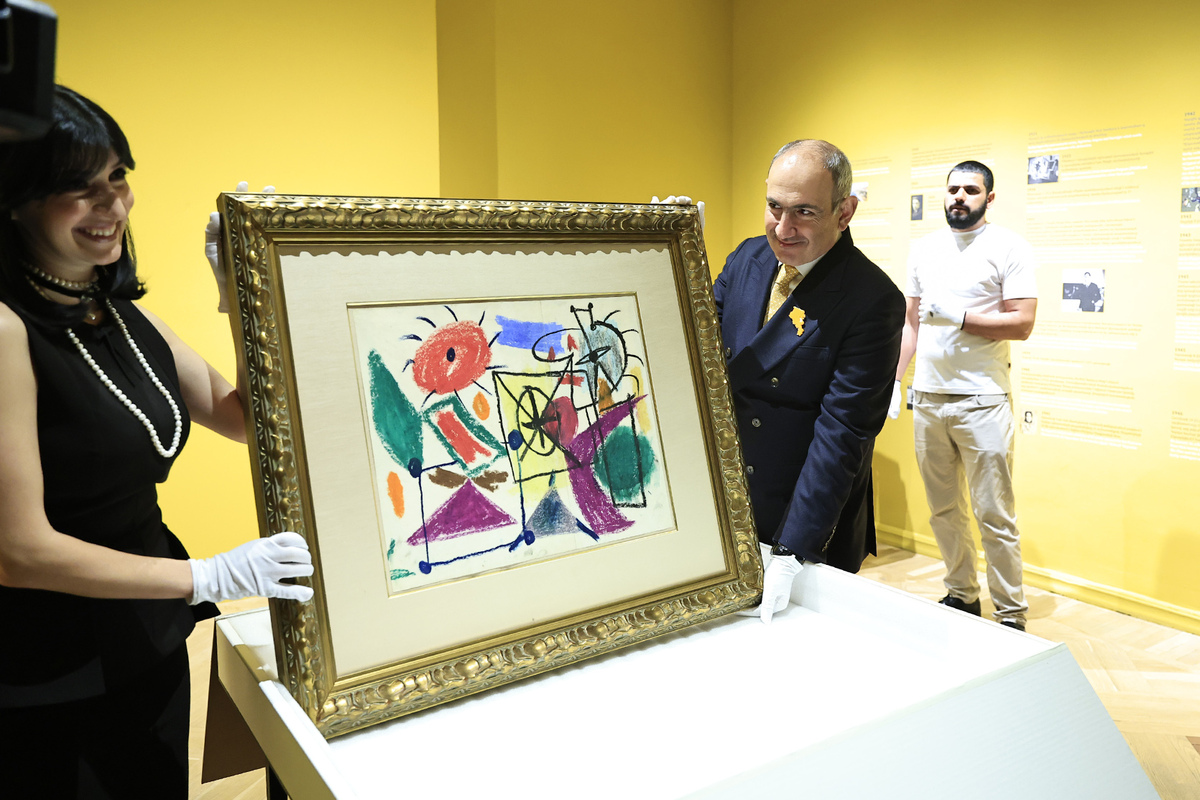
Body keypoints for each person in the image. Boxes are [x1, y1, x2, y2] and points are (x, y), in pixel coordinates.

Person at [0, 86, 313, 798]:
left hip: (148, 644)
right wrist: (208, 577)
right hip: (48, 671)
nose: (111, 204)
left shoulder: (118, 313)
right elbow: (20, 553)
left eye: (117, 176)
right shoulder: (8, 329)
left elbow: (245, 419)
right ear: (15, 199)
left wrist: (244, 294)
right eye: (78, 186)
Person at [713, 139, 904, 623]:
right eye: (774, 207)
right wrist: (670, 257)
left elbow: (843, 432)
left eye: (804, 212)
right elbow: (699, 352)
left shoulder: (872, 299)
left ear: (845, 212)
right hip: (729, 500)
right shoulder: (746, 260)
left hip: (804, 515)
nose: (784, 228)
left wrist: (793, 549)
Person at [889, 160, 1038, 631]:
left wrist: (961, 318)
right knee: (944, 510)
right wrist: (896, 378)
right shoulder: (924, 249)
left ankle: (1010, 613)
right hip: (929, 399)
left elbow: (1023, 323)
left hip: (982, 401)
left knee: (994, 514)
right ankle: (962, 594)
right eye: (953, 188)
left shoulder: (1008, 247)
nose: (959, 196)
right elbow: (911, 323)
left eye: (971, 190)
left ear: (988, 198)